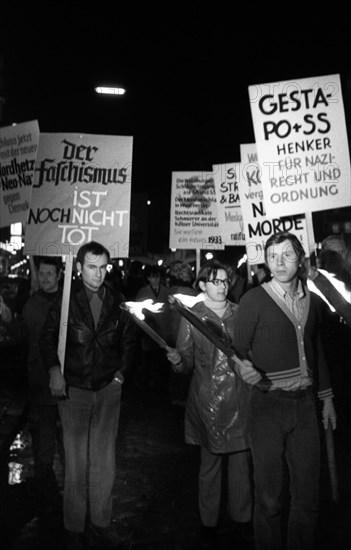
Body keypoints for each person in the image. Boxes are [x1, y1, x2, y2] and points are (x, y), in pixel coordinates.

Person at [233, 231, 337, 550]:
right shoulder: (253, 300)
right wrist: (243, 367)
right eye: (273, 256)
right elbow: (237, 349)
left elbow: (316, 348)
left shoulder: (313, 301)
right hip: (267, 406)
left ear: (300, 259)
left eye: (287, 255)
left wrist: (327, 398)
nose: (279, 262)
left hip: (304, 407)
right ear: (265, 260)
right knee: (269, 498)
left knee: (307, 497)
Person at [39, 241, 135, 550]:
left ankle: (101, 522)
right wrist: (55, 369)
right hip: (75, 390)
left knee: (104, 461)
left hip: (108, 389)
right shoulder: (66, 300)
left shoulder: (118, 301)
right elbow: (47, 338)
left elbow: (129, 342)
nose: (97, 273)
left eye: (102, 266)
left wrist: (121, 374)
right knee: (76, 462)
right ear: (79, 268)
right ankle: (74, 527)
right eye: (91, 266)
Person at [166, 260, 253, 549]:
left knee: (241, 466)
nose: (223, 286)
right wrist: (179, 361)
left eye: (226, 281)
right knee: (210, 466)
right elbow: (187, 359)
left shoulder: (241, 314)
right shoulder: (192, 317)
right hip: (208, 402)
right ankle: (208, 523)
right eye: (216, 281)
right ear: (202, 285)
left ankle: (241, 521)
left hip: (240, 399)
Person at [1, 256, 64, 517]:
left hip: (69, 387)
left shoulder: (70, 301)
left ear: (60, 274)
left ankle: (73, 500)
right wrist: (7, 320)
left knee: (71, 448)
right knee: (44, 449)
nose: (47, 277)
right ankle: (48, 499)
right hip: (40, 387)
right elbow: (23, 337)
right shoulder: (31, 304)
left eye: (51, 273)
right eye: (43, 273)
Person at [135, 265, 170, 395]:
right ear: (148, 278)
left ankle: (158, 383)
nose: (155, 280)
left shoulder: (166, 291)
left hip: (163, 331)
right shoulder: (142, 292)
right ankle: (147, 382)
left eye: (157, 277)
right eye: (153, 277)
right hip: (148, 331)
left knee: (160, 359)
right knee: (148, 359)